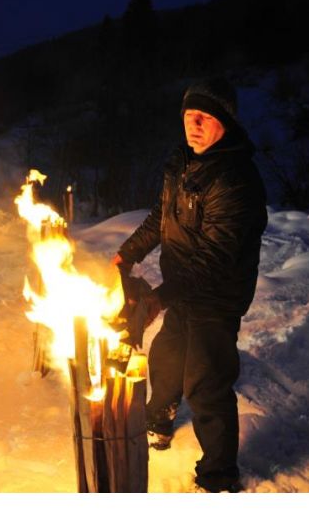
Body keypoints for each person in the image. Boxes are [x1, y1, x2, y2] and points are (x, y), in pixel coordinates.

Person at [113, 77, 267, 493]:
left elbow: (213, 259)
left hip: (216, 296)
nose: (194, 124)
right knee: (165, 357)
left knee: (206, 381)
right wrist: (126, 255)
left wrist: (160, 296)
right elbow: (158, 222)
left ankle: (219, 474)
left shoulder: (235, 180)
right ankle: (158, 419)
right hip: (182, 287)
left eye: (205, 117)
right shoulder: (181, 164)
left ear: (226, 123)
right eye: (188, 116)